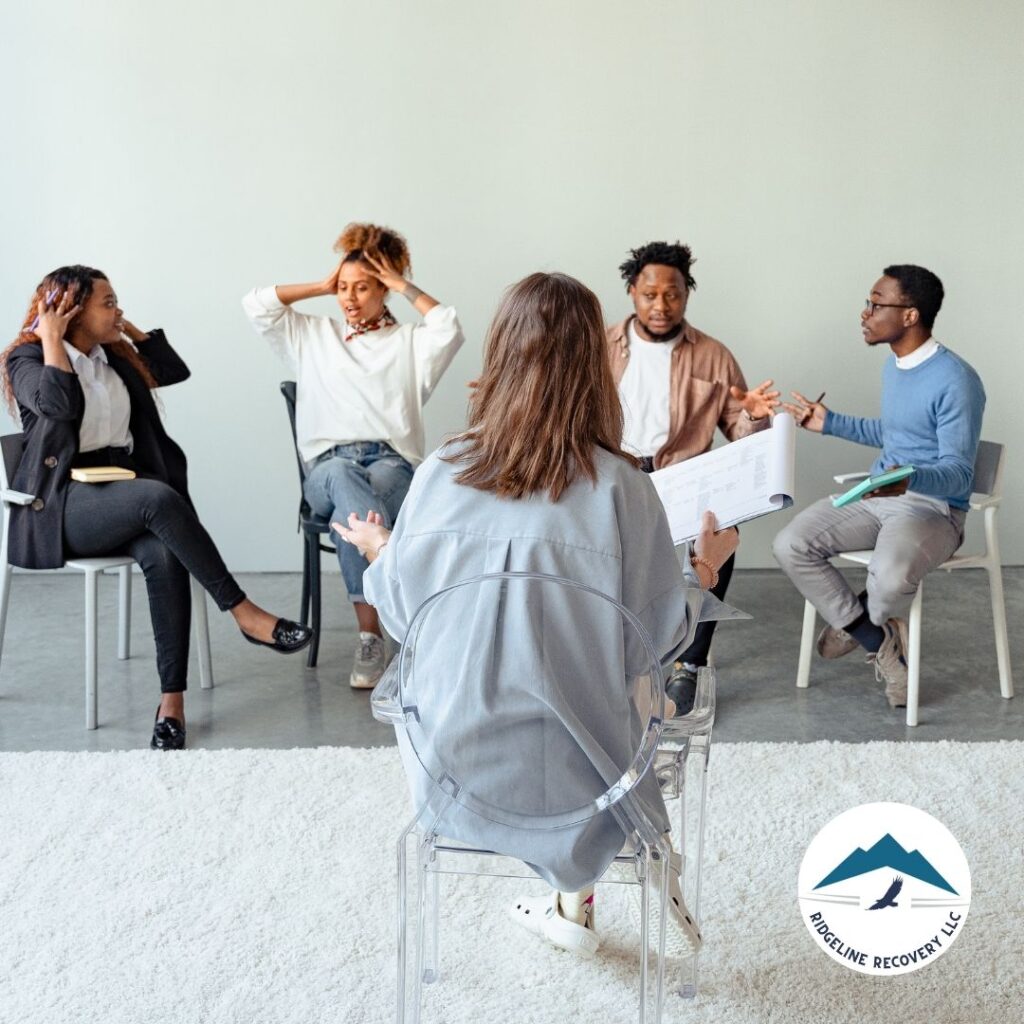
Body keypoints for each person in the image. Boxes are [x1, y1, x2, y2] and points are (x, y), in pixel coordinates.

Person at [335, 272, 738, 958]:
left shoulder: (441, 470)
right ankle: (575, 889)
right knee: (602, 695)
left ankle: (567, 903)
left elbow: (405, 614)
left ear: (500, 354)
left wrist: (385, 549)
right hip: (585, 787)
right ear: (596, 365)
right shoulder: (622, 489)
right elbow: (654, 640)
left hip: (451, 774)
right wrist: (703, 569)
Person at [2, 266, 313, 750]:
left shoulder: (115, 358)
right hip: (63, 504)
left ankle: (172, 703)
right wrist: (52, 339)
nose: (118, 309)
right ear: (72, 310)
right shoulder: (27, 359)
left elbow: (173, 372)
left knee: (162, 552)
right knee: (157, 496)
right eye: (108, 303)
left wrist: (133, 334)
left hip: (124, 494)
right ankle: (244, 612)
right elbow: (57, 406)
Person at [243, 223, 464, 689]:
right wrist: (323, 285)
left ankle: (371, 638)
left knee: (359, 508)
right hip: (328, 469)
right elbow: (256, 304)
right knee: (346, 479)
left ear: (385, 288)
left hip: (392, 465)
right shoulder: (311, 335)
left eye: (362, 287)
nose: (348, 297)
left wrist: (404, 283)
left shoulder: (411, 344)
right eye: (342, 288)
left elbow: (447, 325)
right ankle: (394, 627)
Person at [774, 264, 985, 708]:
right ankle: (878, 639)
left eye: (875, 303)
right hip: (877, 494)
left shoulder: (957, 381)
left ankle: (860, 616)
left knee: (888, 579)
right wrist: (829, 423)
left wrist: (909, 478)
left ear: (910, 315)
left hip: (932, 508)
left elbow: (959, 474)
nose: (864, 313)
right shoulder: (896, 366)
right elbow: (896, 433)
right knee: (791, 543)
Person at [608, 241, 779, 711]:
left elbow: (740, 434)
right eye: (650, 295)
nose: (661, 306)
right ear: (632, 293)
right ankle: (611, 658)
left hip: (684, 477)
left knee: (720, 530)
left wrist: (756, 417)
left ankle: (690, 663)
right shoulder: (600, 347)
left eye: (673, 295)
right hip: (617, 475)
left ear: (687, 294)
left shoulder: (713, 356)